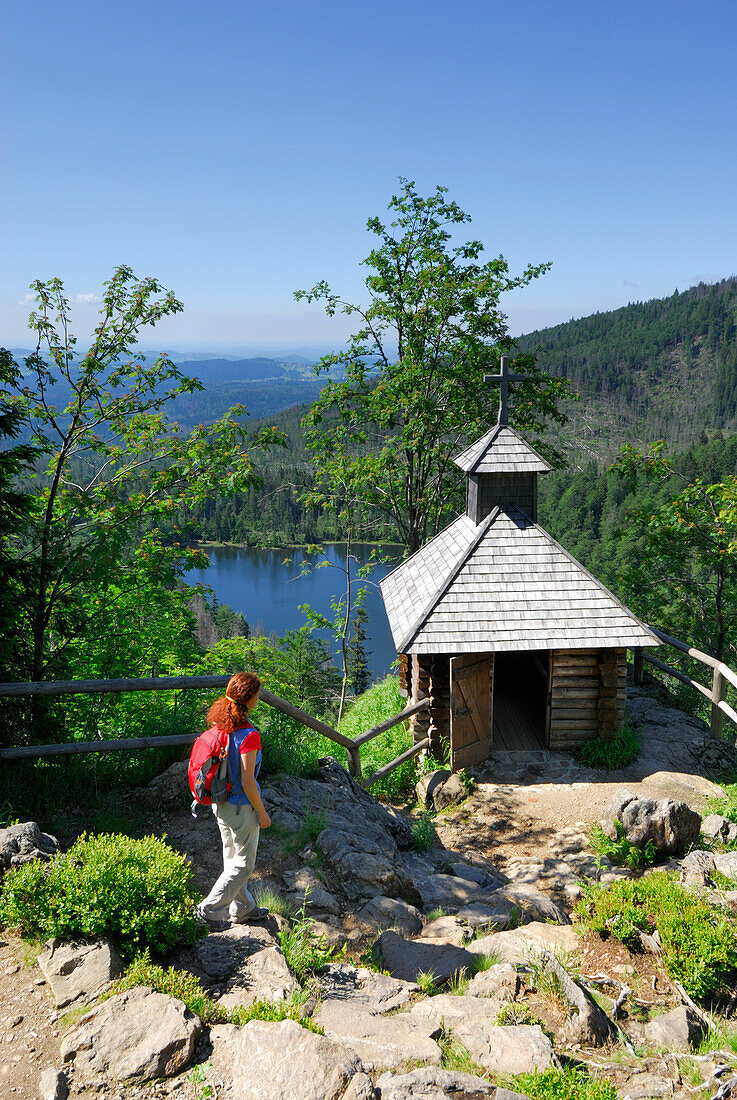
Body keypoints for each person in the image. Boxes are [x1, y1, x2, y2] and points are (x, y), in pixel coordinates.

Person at [194, 671, 271, 931]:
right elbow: (248, 781)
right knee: (243, 864)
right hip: (241, 808)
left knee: (232, 858)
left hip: (221, 804)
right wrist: (262, 812)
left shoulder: (220, 726)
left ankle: (243, 908)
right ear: (249, 700)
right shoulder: (249, 735)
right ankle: (210, 910)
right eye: (257, 694)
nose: (259, 697)